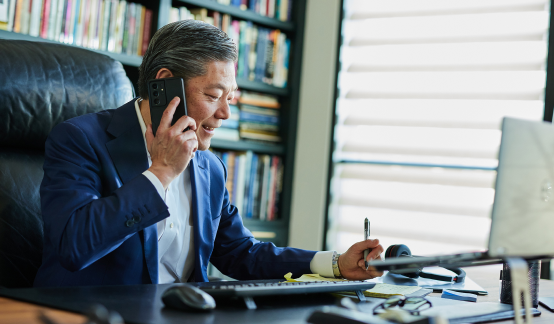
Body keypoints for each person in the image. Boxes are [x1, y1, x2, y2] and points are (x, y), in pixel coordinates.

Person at [34, 20, 383, 287]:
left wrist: (336, 263)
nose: (225, 114)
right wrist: (161, 172)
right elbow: (72, 246)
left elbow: (240, 253)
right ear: (164, 84)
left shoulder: (210, 167)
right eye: (214, 95)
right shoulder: (79, 139)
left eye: (229, 98)